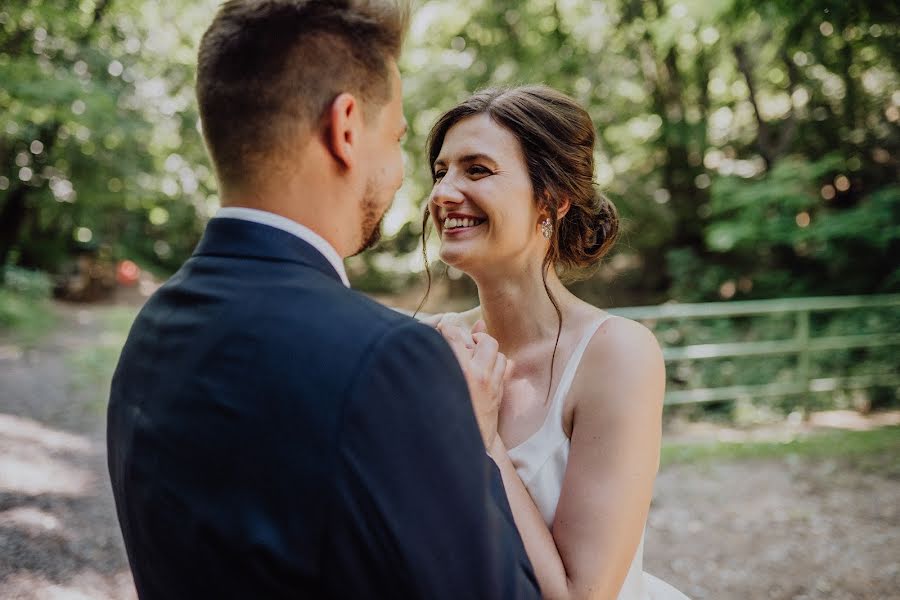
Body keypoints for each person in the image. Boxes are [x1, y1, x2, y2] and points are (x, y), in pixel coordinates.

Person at [106, 2, 540, 598]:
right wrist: (475, 441)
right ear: (345, 130)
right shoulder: (389, 357)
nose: (402, 177)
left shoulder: (155, 325)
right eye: (396, 140)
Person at [422, 85, 691, 600]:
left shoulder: (615, 355)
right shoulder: (432, 344)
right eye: (441, 172)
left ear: (552, 199)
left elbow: (581, 594)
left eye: (476, 170)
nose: (443, 193)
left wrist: (485, 438)